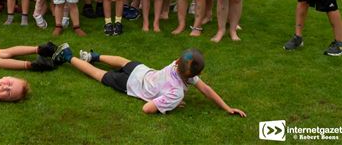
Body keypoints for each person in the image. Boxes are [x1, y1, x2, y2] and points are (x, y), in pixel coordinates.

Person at [52, 44, 246, 117]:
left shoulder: (177, 64)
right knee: (97, 75)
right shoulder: (177, 91)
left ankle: (94, 56)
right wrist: (172, 103)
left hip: (140, 70)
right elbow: (147, 109)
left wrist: (226, 107)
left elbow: (207, 90)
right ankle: (67, 56)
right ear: (194, 74)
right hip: (131, 84)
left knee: (122, 60)